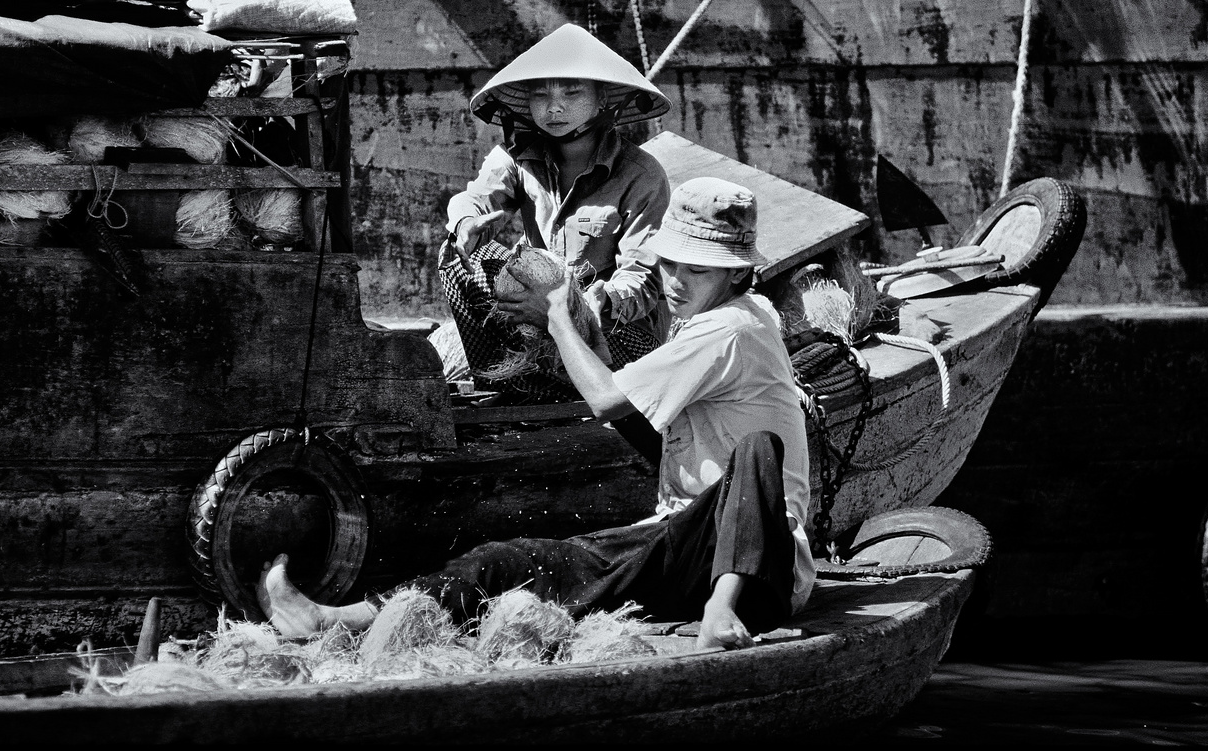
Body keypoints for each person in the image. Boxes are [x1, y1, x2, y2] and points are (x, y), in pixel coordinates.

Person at [261, 178, 817, 651]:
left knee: (757, 450)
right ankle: (341, 619)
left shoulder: (731, 328)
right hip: (688, 544)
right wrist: (590, 341)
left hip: (758, 574)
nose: (675, 281)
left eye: (697, 270)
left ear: (736, 274)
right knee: (510, 564)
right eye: (670, 263)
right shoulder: (725, 318)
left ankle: (721, 614)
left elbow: (606, 401)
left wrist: (557, 317)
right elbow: (642, 422)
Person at [435, 23, 673, 409]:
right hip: (541, 315)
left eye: (572, 93)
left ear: (601, 101)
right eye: (541, 94)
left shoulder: (642, 175)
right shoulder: (515, 156)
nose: (553, 107)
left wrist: (599, 299)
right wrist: (466, 224)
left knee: (598, 321)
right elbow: (473, 199)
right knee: (459, 257)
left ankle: (584, 387)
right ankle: (509, 380)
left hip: (613, 331)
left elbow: (643, 277)